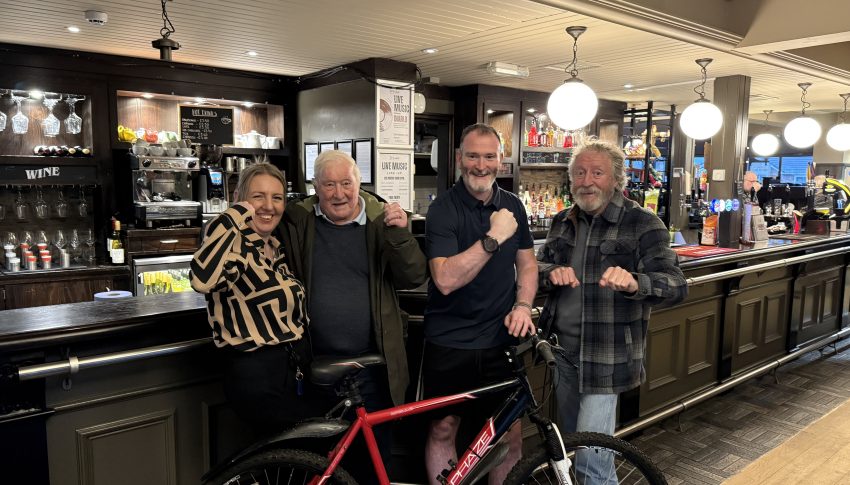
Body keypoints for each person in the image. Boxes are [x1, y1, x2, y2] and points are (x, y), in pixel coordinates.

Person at [537, 139, 687, 483]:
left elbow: (677, 285)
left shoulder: (643, 223)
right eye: (579, 172)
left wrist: (635, 282)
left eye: (597, 172)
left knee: (592, 456)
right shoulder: (562, 220)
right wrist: (549, 273)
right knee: (573, 446)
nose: (586, 181)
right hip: (561, 354)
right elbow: (538, 268)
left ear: (617, 179)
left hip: (608, 355)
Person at [279, 150, 427, 479]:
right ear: (315, 186)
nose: (339, 193)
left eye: (346, 183)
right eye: (329, 184)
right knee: (320, 460)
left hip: (372, 366)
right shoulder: (297, 220)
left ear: (359, 183)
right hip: (314, 365)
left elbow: (414, 276)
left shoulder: (382, 220)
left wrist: (400, 234)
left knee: (374, 459)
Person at [423, 123, 537, 485]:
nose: (481, 164)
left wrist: (522, 305)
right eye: (473, 155)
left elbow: (528, 265)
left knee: (508, 431)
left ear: (500, 161)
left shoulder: (514, 205)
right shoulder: (442, 208)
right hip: (449, 340)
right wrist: (493, 237)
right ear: (459, 159)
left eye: (489, 156)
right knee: (444, 427)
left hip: (500, 340)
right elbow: (445, 279)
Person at [190, 162, 313, 432]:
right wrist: (234, 215)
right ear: (240, 199)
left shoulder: (274, 245)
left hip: (290, 369)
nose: (268, 206)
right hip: (257, 373)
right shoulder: (235, 242)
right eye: (258, 196)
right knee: (290, 459)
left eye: (277, 197)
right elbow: (202, 280)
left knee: (295, 463)